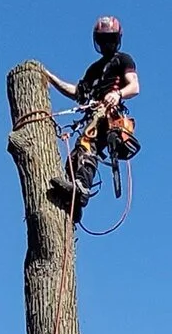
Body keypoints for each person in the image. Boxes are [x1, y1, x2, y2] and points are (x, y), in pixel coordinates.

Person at [49, 16, 140, 200]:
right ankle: (73, 198)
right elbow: (78, 92)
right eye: (103, 40)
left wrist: (118, 94)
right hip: (94, 114)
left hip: (109, 115)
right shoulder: (94, 70)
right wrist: (50, 78)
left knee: (87, 144)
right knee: (75, 156)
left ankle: (80, 187)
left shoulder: (123, 60)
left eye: (111, 40)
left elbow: (134, 86)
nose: (107, 44)